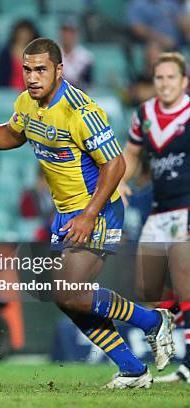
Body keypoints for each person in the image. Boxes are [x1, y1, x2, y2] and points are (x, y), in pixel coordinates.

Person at [0, 38, 175, 389]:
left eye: (41, 70)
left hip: (97, 210)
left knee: (69, 290)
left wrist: (88, 215)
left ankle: (153, 322)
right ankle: (132, 370)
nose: (32, 78)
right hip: (66, 214)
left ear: (59, 70)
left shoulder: (81, 111)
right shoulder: (26, 103)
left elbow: (115, 165)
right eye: (27, 70)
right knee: (68, 299)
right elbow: (11, 134)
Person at [119, 52, 190, 384]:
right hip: (159, 208)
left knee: (183, 279)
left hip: (186, 207)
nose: (164, 83)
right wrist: (121, 179)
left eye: (171, 77)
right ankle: (172, 329)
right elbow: (132, 154)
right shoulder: (144, 115)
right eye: (159, 77)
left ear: (184, 81)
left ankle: (187, 363)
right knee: (147, 286)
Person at [0, 19, 40, 92]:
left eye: (26, 33)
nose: (23, 36)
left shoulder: (38, 54)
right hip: (9, 91)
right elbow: (1, 75)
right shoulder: (5, 52)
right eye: (21, 32)